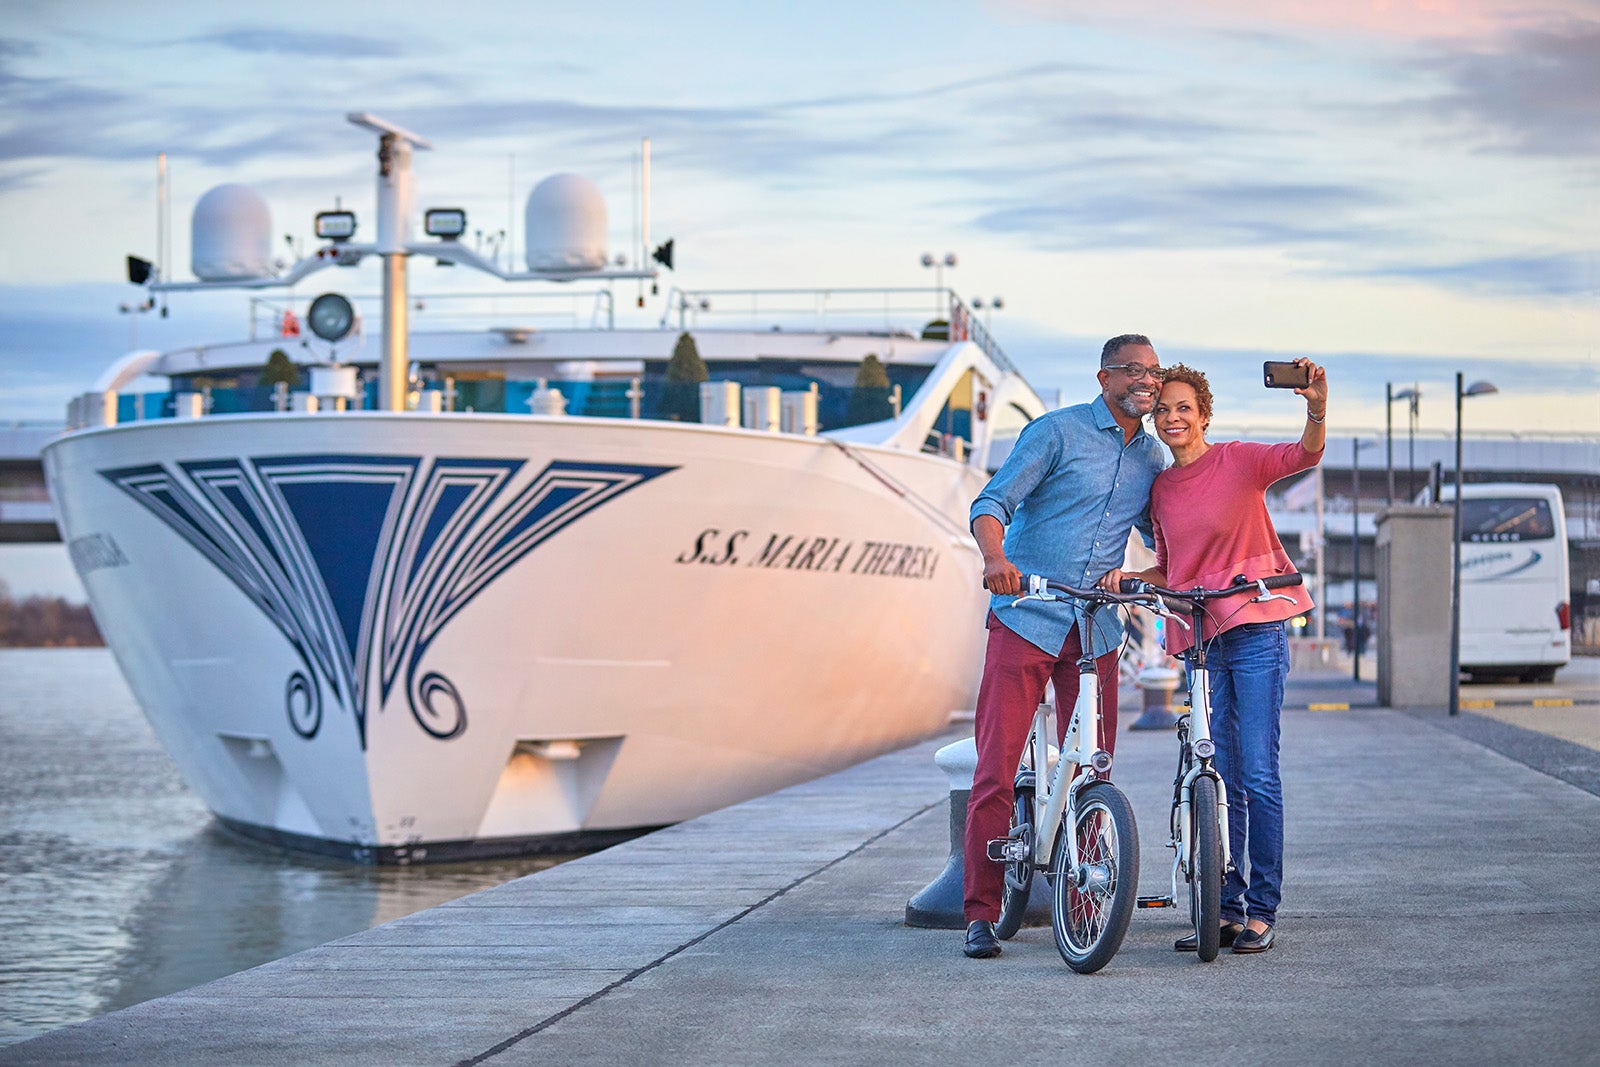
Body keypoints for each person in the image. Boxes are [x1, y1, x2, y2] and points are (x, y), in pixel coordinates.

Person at [1103, 358, 1327, 955]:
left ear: (1203, 414)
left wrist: (1316, 406)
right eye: (1164, 409)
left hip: (1253, 631)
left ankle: (1262, 908)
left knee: (1256, 770)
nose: (1173, 417)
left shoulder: (1238, 461)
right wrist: (1127, 579)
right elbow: (1175, 570)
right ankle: (1222, 909)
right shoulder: (1160, 489)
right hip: (1200, 639)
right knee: (1216, 774)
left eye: (1185, 407)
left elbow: (1303, 456)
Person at [960, 334, 1167, 959]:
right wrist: (996, 558)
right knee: (997, 766)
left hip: (1098, 626)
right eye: (1133, 370)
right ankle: (980, 910)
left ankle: (1083, 905)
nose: (1146, 382)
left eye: (1154, 373)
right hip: (1027, 613)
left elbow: (1163, 536)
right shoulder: (1056, 432)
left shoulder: (1153, 459)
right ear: (1104, 377)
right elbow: (991, 502)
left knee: (1094, 766)